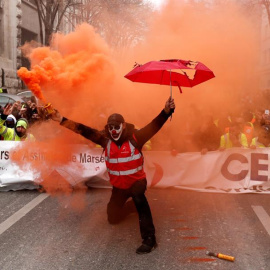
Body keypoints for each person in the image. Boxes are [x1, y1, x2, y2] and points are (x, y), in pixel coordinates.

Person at [51, 97, 176, 254]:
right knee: (112, 218)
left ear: (123, 126)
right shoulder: (105, 141)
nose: (113, 131)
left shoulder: (136, 138)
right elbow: (84, 130)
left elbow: (154, 126)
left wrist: (166, 111)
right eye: (110, 127)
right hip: (119, 187)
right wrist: (61, 119)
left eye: (116, 127)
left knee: (139, 198)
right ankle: (131, 208)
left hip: (136, 182)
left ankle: (150, 239)